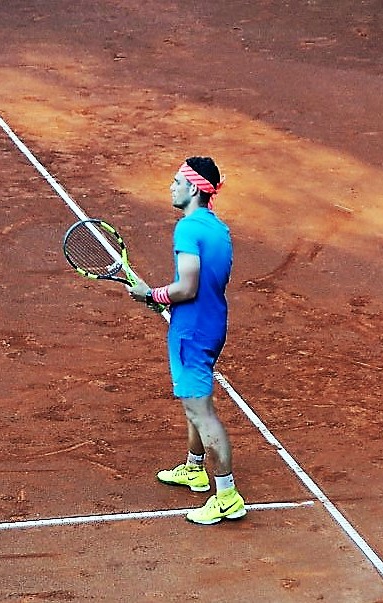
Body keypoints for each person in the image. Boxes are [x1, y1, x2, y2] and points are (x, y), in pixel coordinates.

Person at [127, 156, 246, 525]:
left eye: (177, 181)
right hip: (211, 324)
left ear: (194, 188)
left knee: (200, 411)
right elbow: (206, 286)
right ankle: (195, 468)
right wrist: (166, 300)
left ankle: (226, 496)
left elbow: (188, 286)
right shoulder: (219, 229)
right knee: (194, 401)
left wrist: (153, 294)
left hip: (191, 331)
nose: (171, 186)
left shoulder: (187, 228)